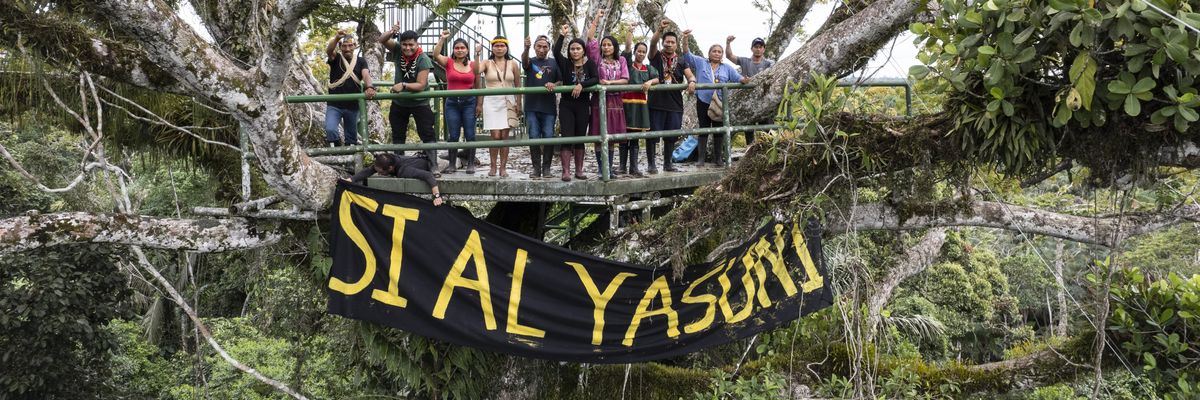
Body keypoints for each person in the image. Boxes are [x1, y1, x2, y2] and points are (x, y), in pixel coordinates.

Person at [682, 29, 749, 167]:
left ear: (722, 55)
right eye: (714, 51)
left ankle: (718, 158)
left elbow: (738, 78)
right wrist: (685, 38)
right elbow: (687, 54)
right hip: (703, 100)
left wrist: (745, 80)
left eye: (719, 52)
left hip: (719, 102)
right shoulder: (701, 62)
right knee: (704, 128)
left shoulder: (727, 68)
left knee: (719, 130)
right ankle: (700, 159)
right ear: (709, 53)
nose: (717, 53)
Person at [377, 27, 436, 171]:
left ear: (417, 44)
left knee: (427, 133)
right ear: (401, 44)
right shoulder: (397, 50)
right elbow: (381, 39)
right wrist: (391, 31)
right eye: (404, 44)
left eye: (411, 45)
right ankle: (397, 164)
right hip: (399, 102)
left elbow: (421, 85)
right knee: (398, 134)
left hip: (419, 102)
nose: (407, 47)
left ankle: (433, 165)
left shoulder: (423, 59)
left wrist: (403, 85)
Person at [647, 19, 698, 173]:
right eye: (667, 42)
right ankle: (651, 164)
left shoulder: (681, 61)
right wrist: (659, 30)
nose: (669, 44)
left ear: (676, 44)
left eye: (672, 42)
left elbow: (690, 75)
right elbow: (652, 43)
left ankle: (668, 164)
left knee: (671, 135)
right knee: (653, 135)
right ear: (663, 43)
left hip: (675, 104)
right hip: (656, 103)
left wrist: (692, 82)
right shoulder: (656, 56)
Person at [584, 8, 629, 177]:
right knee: (599, 136)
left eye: (609, 44)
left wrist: (610, 82)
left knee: (611, 138)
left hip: (616, 102)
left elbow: (625, 79)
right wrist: (596, 19)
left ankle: (609, 169)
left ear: (615, 46)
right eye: (604, 45)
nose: (606, 47)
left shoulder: (621, 60)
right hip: (599, 102)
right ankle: (602, 169)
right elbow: (590, 38)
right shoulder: (597, 59)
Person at [552, 24, 599, 181]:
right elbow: (555, 51)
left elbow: (595, 79)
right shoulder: (565, 63)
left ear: (583, 50)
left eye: (578, 48)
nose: (575, 51)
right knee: (567, 136)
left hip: (583, 105)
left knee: (580, 137)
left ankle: (579, 170)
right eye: (572, 49)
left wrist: (581, 85)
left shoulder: (590, 64)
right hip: (566, 105)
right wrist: (562, 36)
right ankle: (565, 171)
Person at [431, 30, 480, 174]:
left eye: (462, 48)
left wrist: (479, 104)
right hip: (452, 102)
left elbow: (479, 84)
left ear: (467, 50)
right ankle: (452, 164)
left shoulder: (472, 65)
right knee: (453, 135)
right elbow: (435, 55)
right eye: (457, 48)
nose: (459, 50)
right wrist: (442, 39)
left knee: (470, 134)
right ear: (453, 50)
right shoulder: (449, 62)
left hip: (469, 102)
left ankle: (471, 163)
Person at [476, 36, 523, 177]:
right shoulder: (487, 63)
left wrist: (518, 103)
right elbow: (476, 71)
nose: (499, 48)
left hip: (508, 101)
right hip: (491, 101)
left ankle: (503, 167)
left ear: (506, 48)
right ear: (492, 48)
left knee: (504, 136)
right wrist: (477, 54)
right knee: (495, 136)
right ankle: (492, 166)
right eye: (496, 46)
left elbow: (518, 84)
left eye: (502, 45)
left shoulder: (513, 64)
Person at [323, 30, 375, 146]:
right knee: (330, 129)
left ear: (355, 46)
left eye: (350, 45)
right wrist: (336, 38)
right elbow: (329, 51)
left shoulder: (361, 61)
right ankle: (337, 149)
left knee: (351, 137)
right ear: (340, 47)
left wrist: (370, 86)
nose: (347, 49)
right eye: (344, 46)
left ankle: (351, 160)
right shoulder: (336, 58)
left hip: (352, 105)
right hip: (334, 104)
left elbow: (366, 74)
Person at [621, 28, 660, 178]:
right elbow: (627, 48)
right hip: (626, 105)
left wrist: (650, 81)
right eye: (639, 51)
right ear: (635, 51)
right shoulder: (627, 65)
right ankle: (622, 167)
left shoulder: (648, 68)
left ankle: (634, 167)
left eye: (644, 52)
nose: (641, 54)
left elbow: (658, 78)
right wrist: (630, 32)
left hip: (640, 107)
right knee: (623, 137)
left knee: (635, 138)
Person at [522, 35, 559, 179]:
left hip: (548, 107)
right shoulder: (530, 61)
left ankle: (547, 168)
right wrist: (526, 47)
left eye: (545, 47)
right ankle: (536, 169)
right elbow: (524, 62)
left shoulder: (554, 63)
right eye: (539, 46)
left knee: (549, 136)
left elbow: (560, 80)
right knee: (534, 136)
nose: (542, 49)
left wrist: (554, 85)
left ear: (549, 48)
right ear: (534, 47)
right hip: (532, 106)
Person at [345, 153, 444, 207]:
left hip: (433, 164)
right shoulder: (388, 160)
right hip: (421, 158)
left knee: (457, 161)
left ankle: (459, 159)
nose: (378, 174)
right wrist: (350, 179)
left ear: (390, 168)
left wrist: (437, 196)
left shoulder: (404, 171)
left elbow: (428, 176)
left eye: (381, 172)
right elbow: (369, 171)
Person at [726, 36, 774, 145]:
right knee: (748, 129)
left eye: (760, 47)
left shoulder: (769, 63)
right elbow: (729, 56)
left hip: (764, 99)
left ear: (764, 49)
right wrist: (728, 43)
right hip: (748, 100)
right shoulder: (744, 61)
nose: (758, 49)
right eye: (756, 47)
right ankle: (749, 150)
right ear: (751, 48)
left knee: (767, 129)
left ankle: (767, 152)